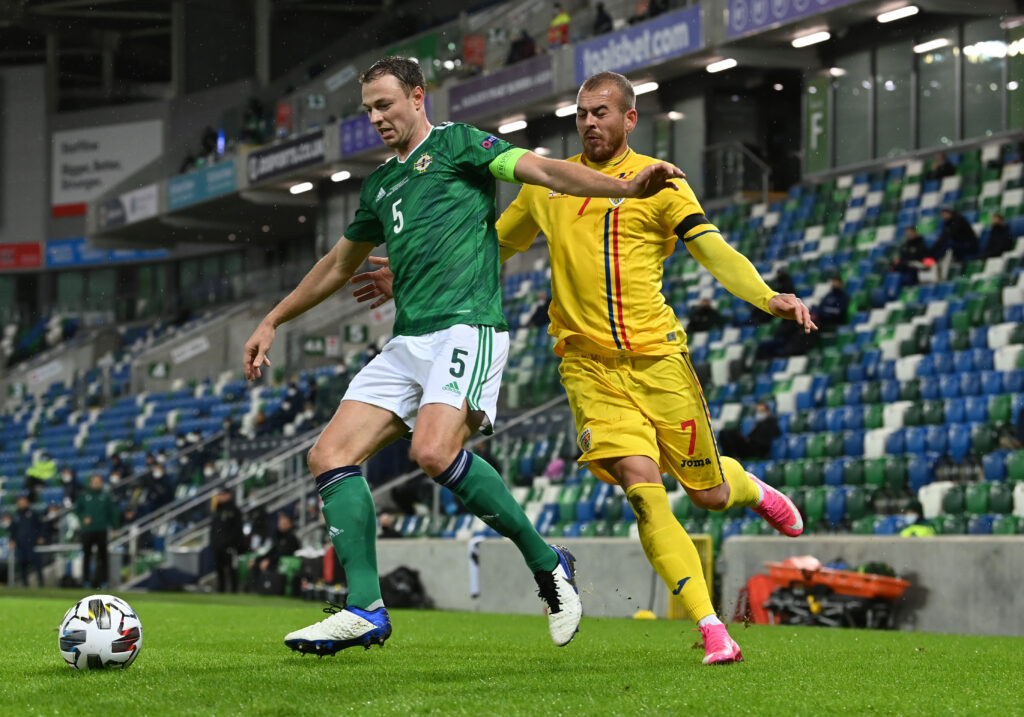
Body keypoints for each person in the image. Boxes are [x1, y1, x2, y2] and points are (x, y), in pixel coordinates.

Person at [350, 71, 815, 666]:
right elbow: (491, 243)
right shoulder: (549, 188)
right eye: (582, 114)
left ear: (630, 119)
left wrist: (766, 295)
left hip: (660, 361)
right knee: (642, 486)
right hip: (588, 365)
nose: (590, 122)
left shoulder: (663, 185)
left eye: (601, 112)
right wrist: (410, 266)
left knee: (710, 495)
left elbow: (713, 250)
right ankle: (711, 625)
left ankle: (747, 486)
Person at [242, 56, 684, 656]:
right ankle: (365, 608)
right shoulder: (381, 185)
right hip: (408, 340)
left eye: (385, 104)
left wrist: (625, 187)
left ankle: (548, 564)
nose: (376, 117)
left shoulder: (461, 145)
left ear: (418, 97)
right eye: (368, 109)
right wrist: (273, 319)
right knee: (329, 455)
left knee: (432, 451)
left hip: (465, 328)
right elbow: (338, 265)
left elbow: (545, 171)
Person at [73, 474, 119, 587]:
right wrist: (83, 518)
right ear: (91, 482)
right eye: (94, 481)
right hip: (88, 530)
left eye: (99, 481)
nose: (96, 483)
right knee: (87, 555)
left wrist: (114, 527)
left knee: (102, 556)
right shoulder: (84, 496)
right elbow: (76, 510)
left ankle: (103, 581)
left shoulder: (106, 496)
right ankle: (86, 580)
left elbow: (112, 513)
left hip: (101, 529)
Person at [247, 512, 301, 594]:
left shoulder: (291, 538)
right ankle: (256, 588)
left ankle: (267, 588)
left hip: (283, 563)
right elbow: (271, 551)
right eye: (280, 523)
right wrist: (257, 559)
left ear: (290, 524)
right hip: (274, 559)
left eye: (284, 523)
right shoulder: (277, 536)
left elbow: (283, 553)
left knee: (268, 566)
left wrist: (269, 560)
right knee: (255, 564)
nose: (281, 525)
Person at [210, 487, 246, 593]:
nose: (220, 497)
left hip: (229, 545)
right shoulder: (217, 509)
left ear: (228, 495)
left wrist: (229, 542)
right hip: (217, 545)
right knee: (219, 568)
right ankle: (221, 588)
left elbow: (236, 529)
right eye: (219, 495)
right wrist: (213, 542)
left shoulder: (234, 511)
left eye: (222, 495)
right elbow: (214, 528)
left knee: (231, 568)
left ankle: (234, 589)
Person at [717, 402, 781, 461]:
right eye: (757, 412)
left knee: (727, 434)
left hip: (757, 450)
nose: (759, 414)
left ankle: (730, 459)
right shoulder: (759, 423)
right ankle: (729, 458)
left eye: (762, 411)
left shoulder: (772, 423)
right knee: (725, 433)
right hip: (750, 446)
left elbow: (775, 434)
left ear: (768, 412)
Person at [11, 495, 46, 587]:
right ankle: (25, 585)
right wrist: (12, 540)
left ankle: (41, 584)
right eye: (20, 502)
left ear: (27, 502)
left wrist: (41, 536)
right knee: (22, 565)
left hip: (32, 543)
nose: (21, 503)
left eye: (23, 501)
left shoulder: (34, 514)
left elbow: (41, 525)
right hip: (20, 544)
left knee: (37, 564)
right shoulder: (16, 515)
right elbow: (13, 529)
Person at [933, 206, 979, 271]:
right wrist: (933, 249)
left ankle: (933, 261)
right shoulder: (947, 223)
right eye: (943, 215)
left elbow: (949, 235)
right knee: (946, 244)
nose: (944, 216)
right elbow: (943, 237)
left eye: (945, 214)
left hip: (969, 245)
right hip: (960, 245)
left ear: (950, 213)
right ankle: (932, 259)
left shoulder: (959, 220)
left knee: (948, 244)